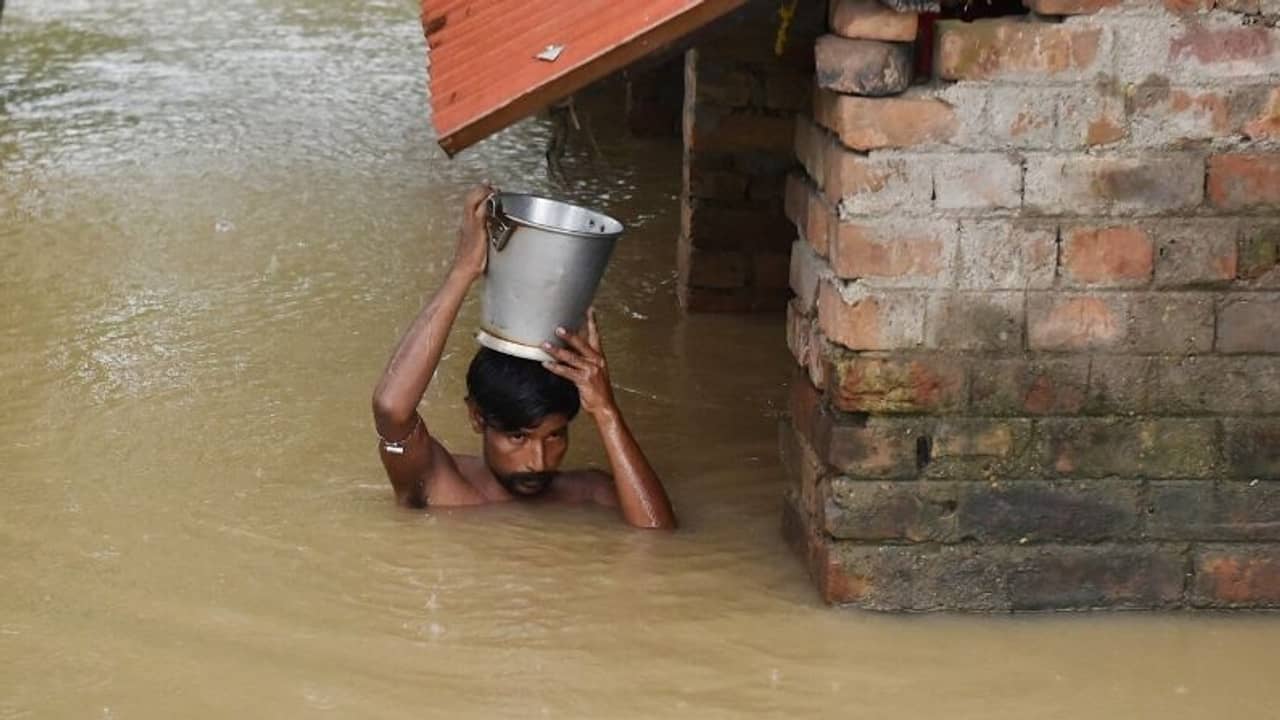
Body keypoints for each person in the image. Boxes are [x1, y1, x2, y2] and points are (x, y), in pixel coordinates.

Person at [371, 186, 676, 530]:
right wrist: (463, 271)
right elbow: (390, 409)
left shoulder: (587, 494)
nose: (538, 462)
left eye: (555, 436)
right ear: (477, 417)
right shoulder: (441, 484)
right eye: (518, 437)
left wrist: (607, 412)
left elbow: (659, 540)